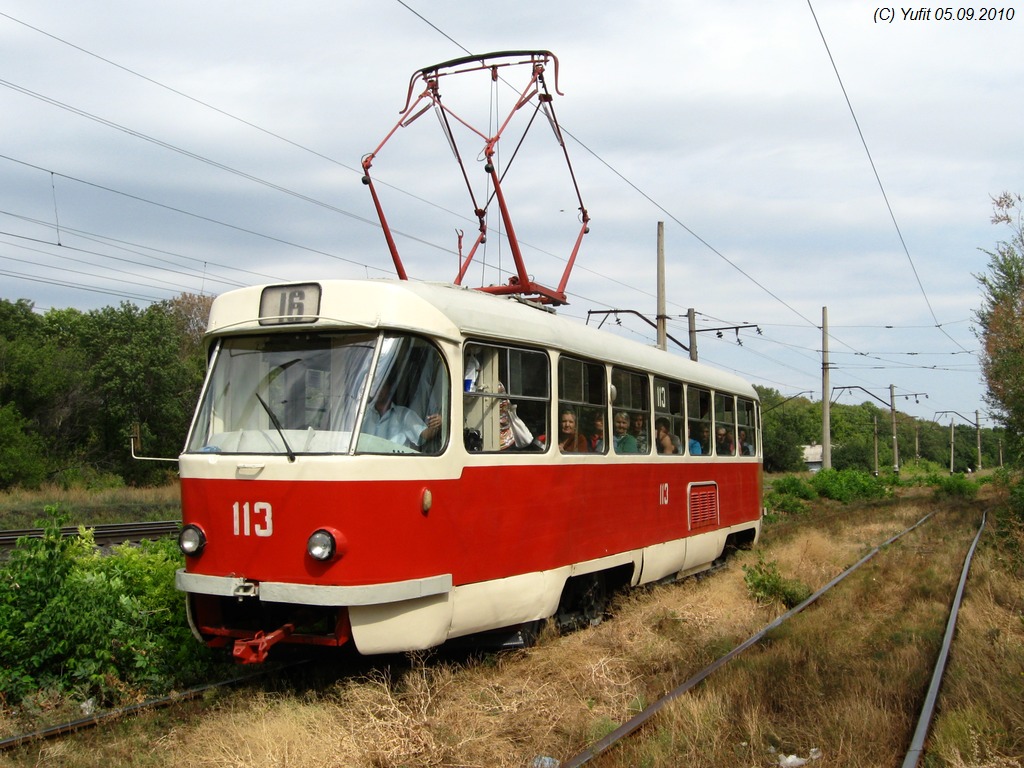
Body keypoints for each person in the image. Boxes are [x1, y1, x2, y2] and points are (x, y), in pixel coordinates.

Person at [362, 378, 442, 450]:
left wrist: (439, 423)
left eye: (382, 386)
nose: (379, 390)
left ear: (389, 388)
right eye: (376, 387)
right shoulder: (363, 414)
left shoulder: (403, 414)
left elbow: (426, 434)